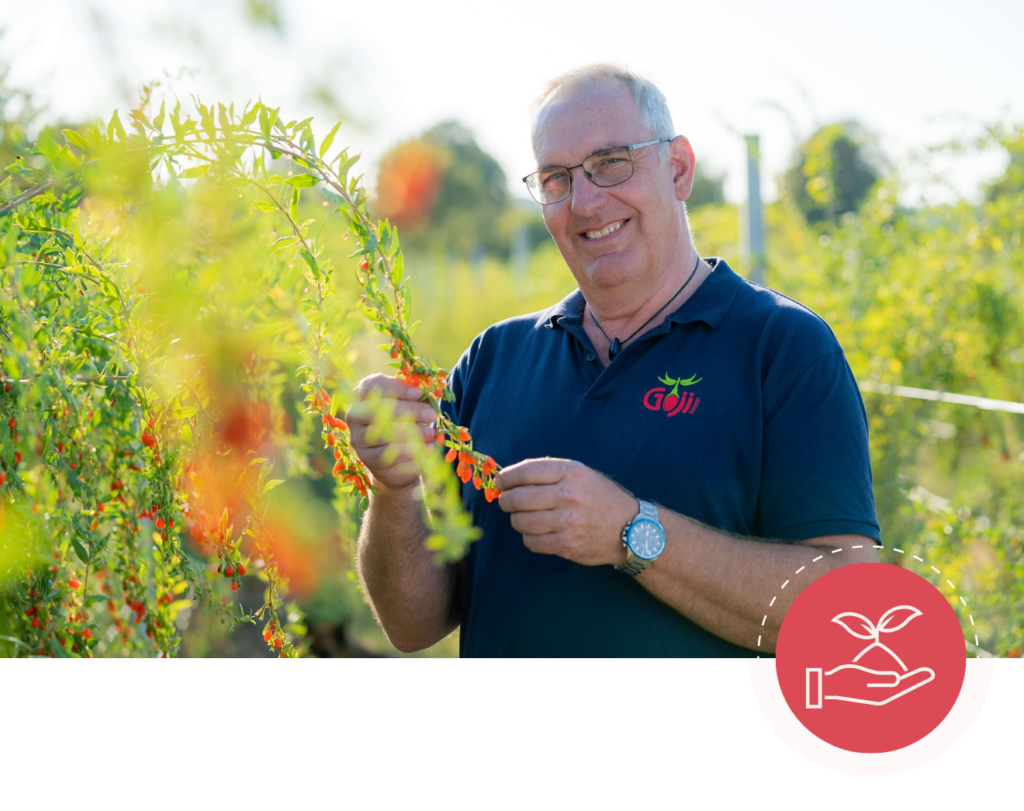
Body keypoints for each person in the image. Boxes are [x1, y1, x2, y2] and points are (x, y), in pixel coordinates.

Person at [348, 64, 881, 658]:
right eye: (556, 178)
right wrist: (393, 492)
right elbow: (413, 627)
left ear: (678, 169)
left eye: (611, 163)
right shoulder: (494, 359)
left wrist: (631, 532)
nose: (586, 202)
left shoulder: (782, 348)